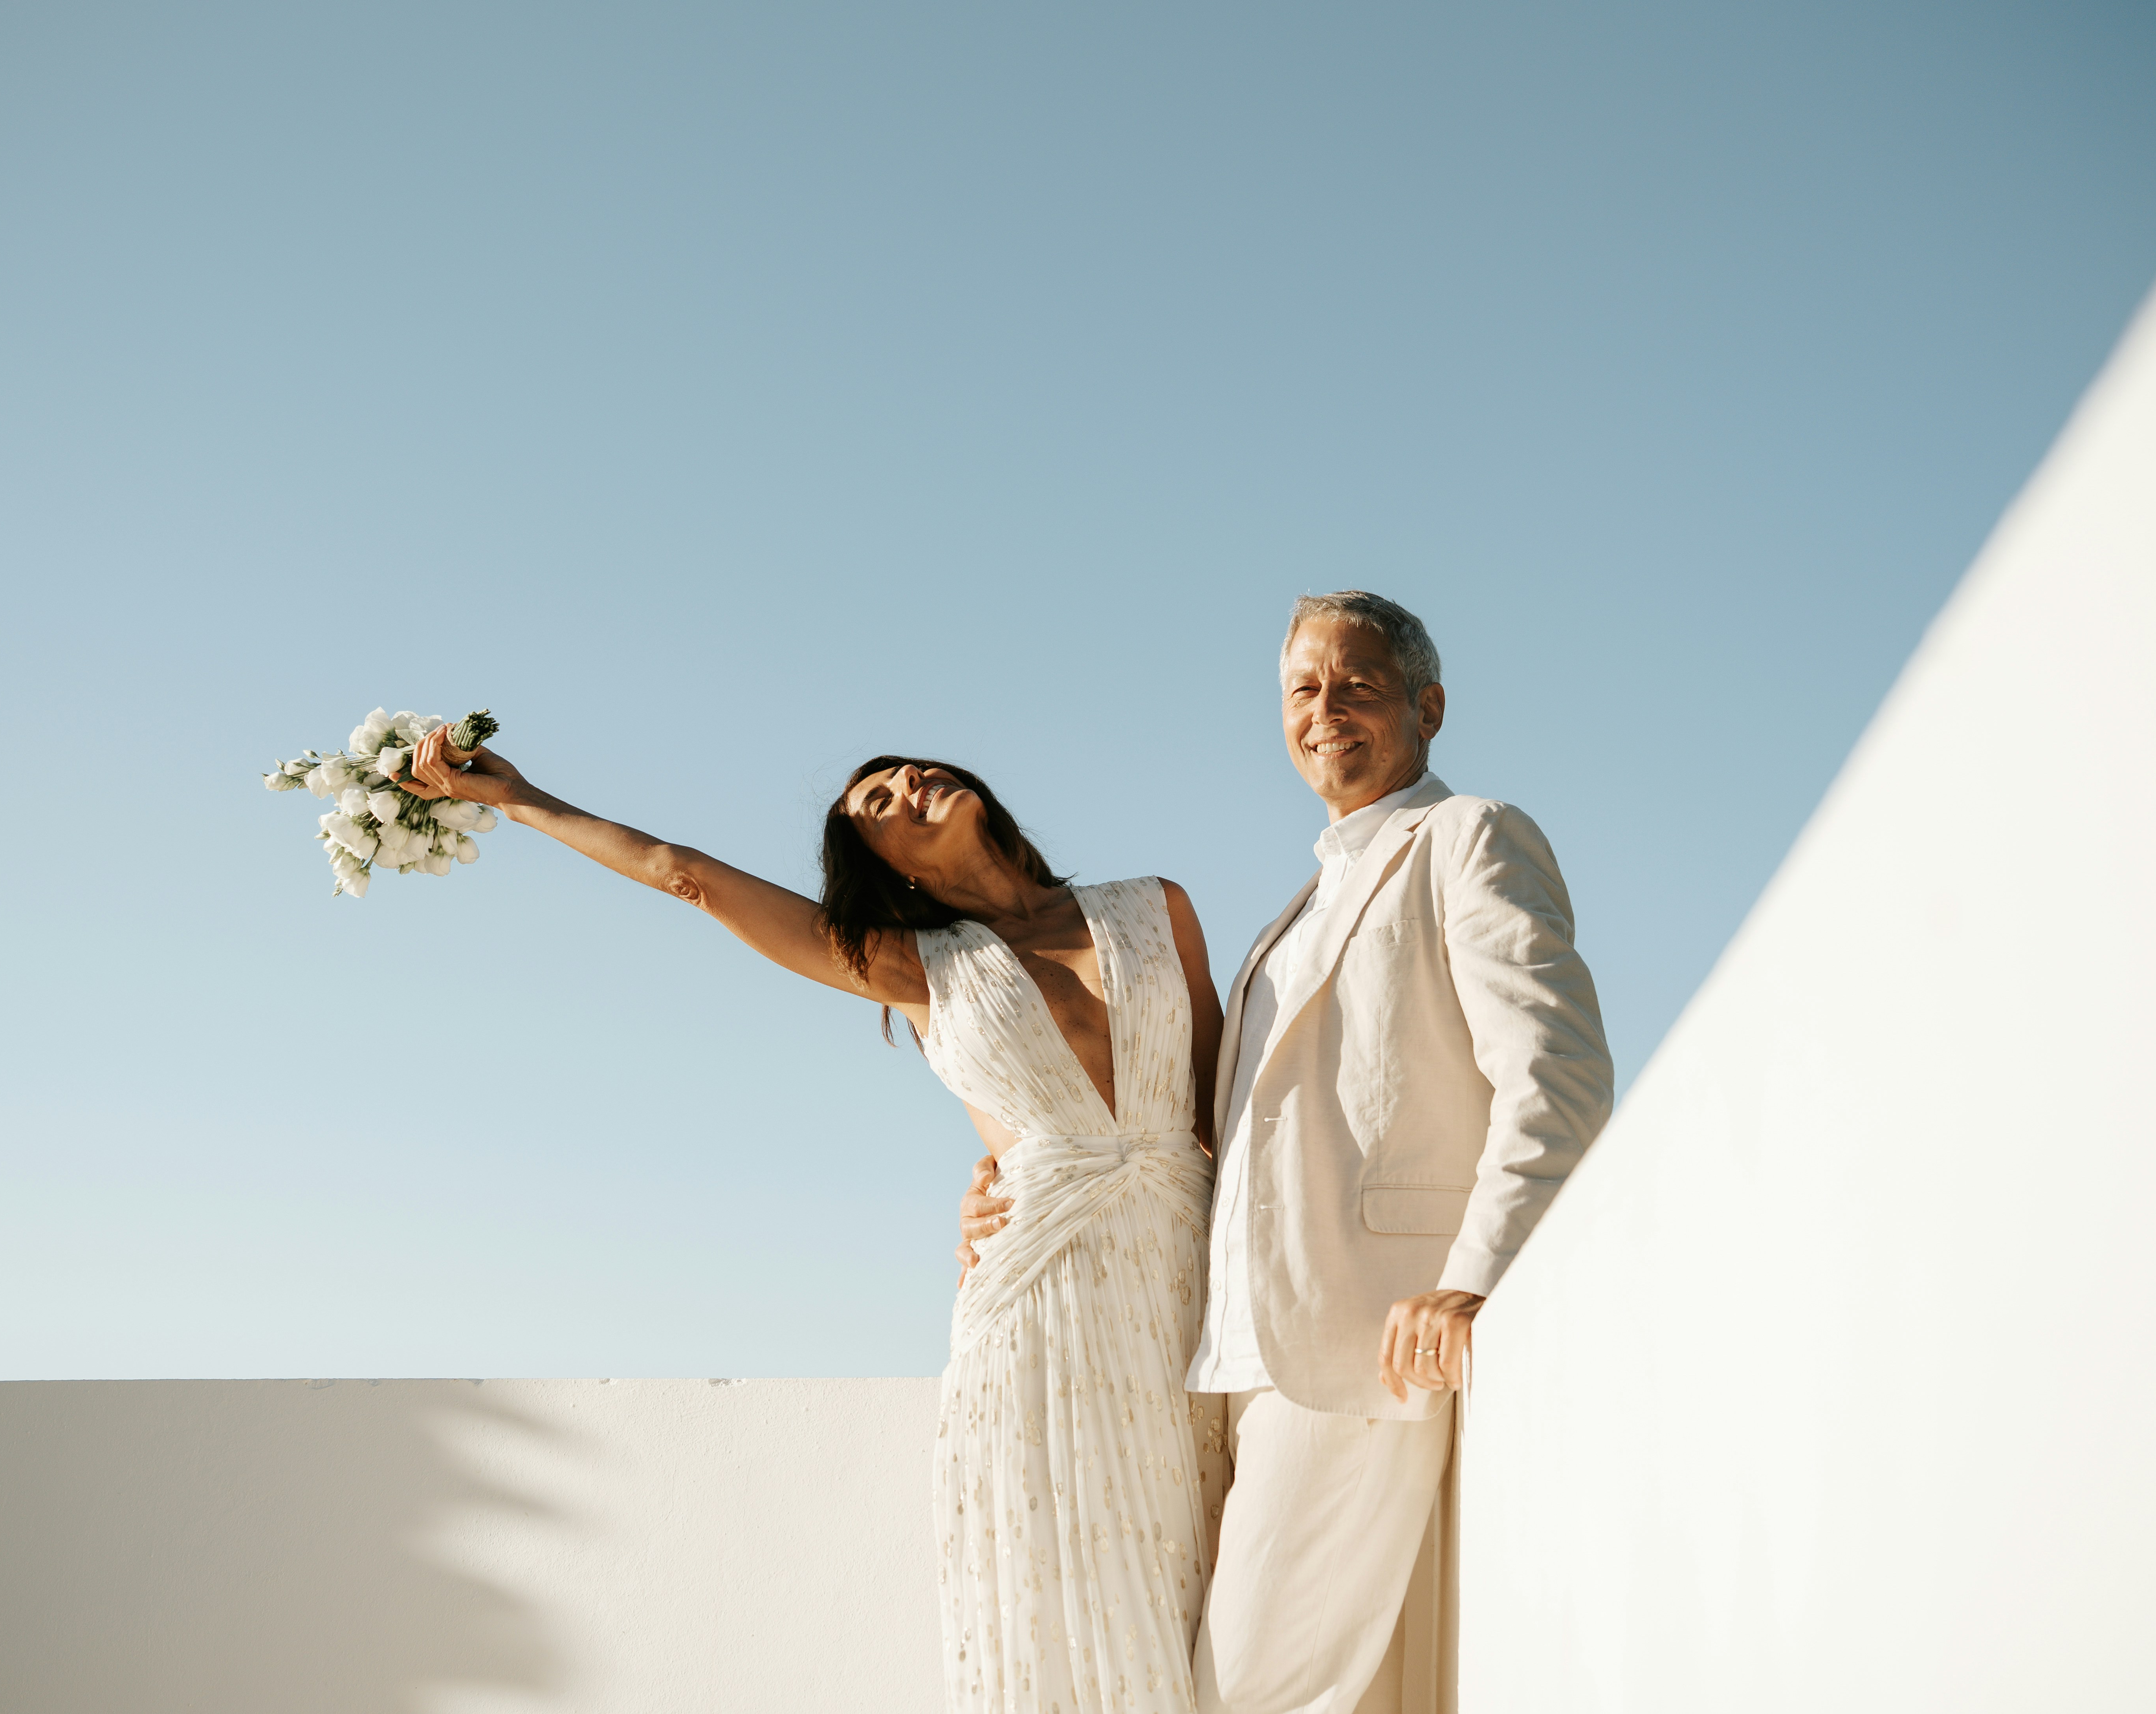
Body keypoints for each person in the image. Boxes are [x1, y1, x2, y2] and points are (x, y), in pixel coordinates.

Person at [398, 730, 1231, 1714]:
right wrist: (523, 799)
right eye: (875, 804)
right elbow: (687, 878)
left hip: (1183, 1278)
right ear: (879, 870)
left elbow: (1225, 1109)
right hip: (1040, 1305)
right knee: (1077, 1579)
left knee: (1212, 1568)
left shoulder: (1154, 910)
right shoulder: (912, 965)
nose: (905, 786)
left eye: (913, 771)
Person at [959, 591, 1614, 1714]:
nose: (1326, 709)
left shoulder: (1468, 837)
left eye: (1356, 683)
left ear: (1430, 705)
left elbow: (1557, 1074)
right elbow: (1202, 1135)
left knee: (1245, 1695)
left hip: (1362, 1346)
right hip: (1233, 1366)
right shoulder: (1290, 915)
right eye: (1303, 689)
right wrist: (1009, 1176)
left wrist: (1469, 1277)